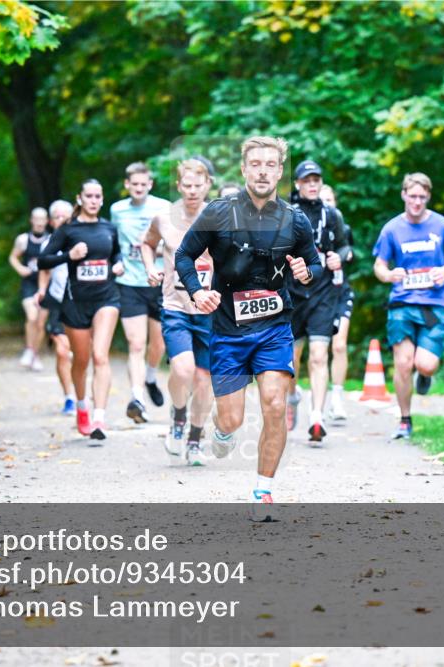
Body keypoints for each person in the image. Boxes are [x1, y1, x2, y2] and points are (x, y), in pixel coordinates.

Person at [176, 136, 322, 521]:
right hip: (228, 330)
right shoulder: (218, 213)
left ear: (279, 171)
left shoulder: (295, 219)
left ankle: (263, 490)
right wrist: (196, 292)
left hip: (274, 327)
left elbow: (315, 263)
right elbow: (184, 256)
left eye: (270, 164)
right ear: (243, 169)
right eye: (254, 164)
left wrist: (307, 272)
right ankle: (221, 432)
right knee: (232, 419)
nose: (262, 170)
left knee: (275, 403)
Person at [372, 172, 444, 440]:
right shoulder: (391, 229)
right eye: (412, 196)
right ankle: (404, 419)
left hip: (435, 302)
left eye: (422, 197)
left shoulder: (442, 225)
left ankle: (424, 377)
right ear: (403, 195)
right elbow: (379, 265)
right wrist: (389, 275)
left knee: (425, 365)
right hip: (402, 303)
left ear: (428, 197)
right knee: (403, 363)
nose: (417, 201)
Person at [142, 159, 215, 465]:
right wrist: (151, 268)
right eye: (187, 185)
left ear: (208, 185)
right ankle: (178, 417)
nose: (193, 191)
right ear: (179, 185)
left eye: (198, 185)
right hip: (175, 307)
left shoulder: (220, 218)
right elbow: (147, 244)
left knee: (203, 381)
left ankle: (195, 440)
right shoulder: (163, 218)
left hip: (211, 310)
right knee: (182, 370)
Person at [38, 180, 123, 440]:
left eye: (98, 196)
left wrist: (119, 265)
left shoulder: (109, 227)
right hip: (75, 302)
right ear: (80, 198)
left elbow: (117, 254)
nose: (94, 200)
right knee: (82, 360)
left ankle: (99, 419)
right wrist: (69, 256)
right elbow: (43, 260)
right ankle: (82, 406)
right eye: (89, 196)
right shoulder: (68, 229)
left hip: (106, 298)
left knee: (100, 356)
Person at [285, 161, 351, 444]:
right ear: (298, 184)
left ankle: (317, 418)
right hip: (293, 294)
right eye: (307, 180)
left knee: (319, 355)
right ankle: (292, 396)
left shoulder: (331, 214)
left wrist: (340, 256)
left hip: (323, 294)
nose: (312, 185)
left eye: (316, 180)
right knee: (292, 360)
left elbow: (346, 245)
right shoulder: (286, 214)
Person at [110, 163, 170, 423]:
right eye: (134, 184)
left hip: (158, 282)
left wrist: (152, 249)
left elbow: (173, 242)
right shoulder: (117, 210)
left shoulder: (164, 207)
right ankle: (137, 399)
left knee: (159, 344)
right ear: (127, 185)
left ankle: (150, 377)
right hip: (130, 283)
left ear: (150, 185)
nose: (138, 188)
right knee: (136, 344)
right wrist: (117, 260)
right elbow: (112, 241)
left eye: (143, 184)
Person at [36, 200, 76, 415]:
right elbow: (44, 270)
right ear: (51, 221)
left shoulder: (82, 238)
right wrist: (41, 290)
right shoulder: (48, 244)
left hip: (81, 303)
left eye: (66, 216)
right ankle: (69, 397)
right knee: (62, 352)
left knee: (81, 353)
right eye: (58, 216)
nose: (62, 220)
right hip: (58, 302)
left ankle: (81, 394)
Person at [320, 184, 354, 422]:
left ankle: (337, 399)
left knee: (339, 345)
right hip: (315, 297)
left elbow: (350, 253)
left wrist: (346, 257)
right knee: (302, 351)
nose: (326, 204)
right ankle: (292, 394)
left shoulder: (344, 228)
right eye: (322, 200)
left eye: (330, 200)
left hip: (341, 293)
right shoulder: (306, 229)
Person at [9, 207, 51, 370]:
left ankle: (34, 354)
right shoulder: (23, 240)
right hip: (29, 284)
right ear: (31, 221)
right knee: (32, 317)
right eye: (36, 219)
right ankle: (29, 350)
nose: (39, 223)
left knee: (41, 323)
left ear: (47, 221)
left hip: (46, 285)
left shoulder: (51, 239)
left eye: (42, 219)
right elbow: (13, 257)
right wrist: (20, 269)